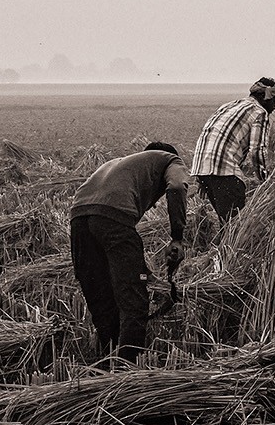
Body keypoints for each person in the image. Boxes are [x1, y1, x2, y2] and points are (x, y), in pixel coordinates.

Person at [68, 139, 189, 364]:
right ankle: (128, 368)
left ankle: (108, 359)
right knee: (133, 301)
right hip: (113, 217)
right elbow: (177, 187)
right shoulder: (170, 159)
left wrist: (142, 272)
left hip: (78, 219)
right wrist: (177, 238)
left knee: (102, 298)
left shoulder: (121, 164)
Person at [192, 77, 275, 225]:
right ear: (264, 97)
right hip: (224, 170)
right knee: (235, 227)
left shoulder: (229, 105)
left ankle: (216, 247)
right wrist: (266, 182)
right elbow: (257, 151)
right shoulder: (260, 112)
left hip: (202, 168)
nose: (274, 107)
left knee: (226, 223)